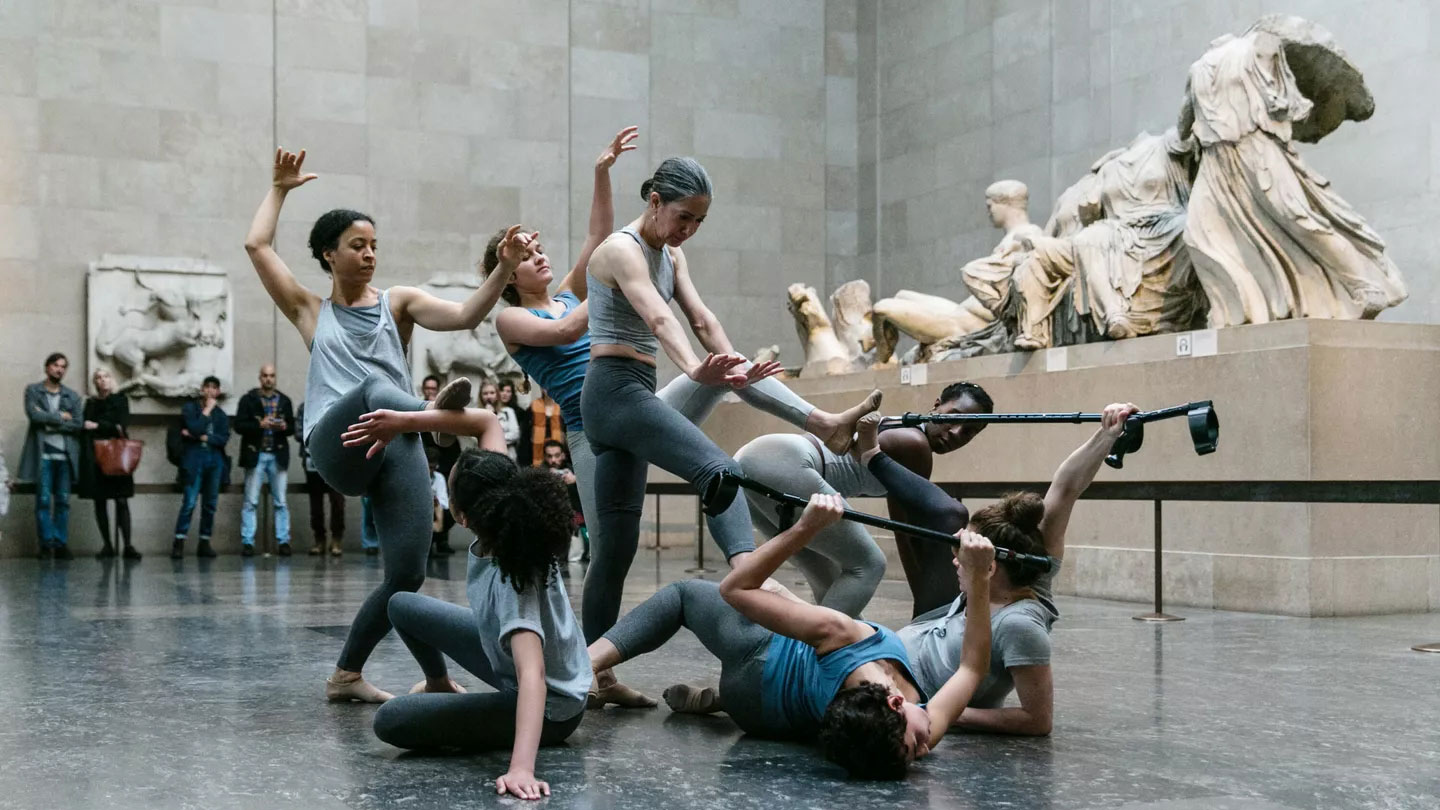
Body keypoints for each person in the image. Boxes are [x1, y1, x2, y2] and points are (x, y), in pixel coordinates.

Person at [490, 138, 880, 703]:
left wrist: (733, 366)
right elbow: (655, 314)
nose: (689, 229)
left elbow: (699, 315)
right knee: (718, 470)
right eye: (682, 217)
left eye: (699, 221)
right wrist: (698, 366)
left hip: (637, 397)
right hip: (607, 401)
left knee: (615, 555)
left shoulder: (669, 254)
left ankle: (592, 673)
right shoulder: (597, 267)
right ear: (653, 201)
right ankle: (748, 571)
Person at [243, 146, 514, 703]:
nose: (369, 255)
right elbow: (257, 245)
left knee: (407, 577)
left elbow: (465, 316)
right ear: (328, 254)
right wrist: (280, 189)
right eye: (356, 246)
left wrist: (505, 268)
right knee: (370, 387)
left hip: (398, 438)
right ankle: (441, 423)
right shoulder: (309, 310)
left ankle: (366, 675)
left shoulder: (399, 303)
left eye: (374, 246)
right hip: (338, 441)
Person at [589, 494, 998, 779]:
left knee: (683, 596)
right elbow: (973, 667)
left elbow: (736, 590)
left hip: (759, 663)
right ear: (894, 701)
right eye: (915, 751)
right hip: (767, 721)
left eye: (914, 750)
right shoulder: (902, 727)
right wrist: (978, 579)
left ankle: (584, 666)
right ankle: (716, 700)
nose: (925, 750)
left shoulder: (844, 641)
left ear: (894, 702)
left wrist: (807, 527)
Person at [853, 403, 1139, 736]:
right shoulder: (1034, 569)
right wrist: (1107, 433)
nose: (956, 560)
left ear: (992, 566)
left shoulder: (1019, 624)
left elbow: (1037, 720)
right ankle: (871, 455)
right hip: (891, 652)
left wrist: (944, 712)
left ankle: (872, 455)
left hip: (900, 687)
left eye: (966, 552)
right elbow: (1065, 488)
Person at [373, 450, 587, 800]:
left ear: (460, 516)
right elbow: (486, 423)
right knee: (401, 605)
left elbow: (532, 672)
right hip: (507, 661)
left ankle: (516, 740)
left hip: (551, 709)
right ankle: (439, 683)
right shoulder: (510, 529)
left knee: (392, 719)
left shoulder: (512, 578)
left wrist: (521, 768)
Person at [735, 380, 995, 618]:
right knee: (868, 565)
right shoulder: (915, 444)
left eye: (969, 432)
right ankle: (811, 655)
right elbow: (906, 533)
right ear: (936, 405)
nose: (956, 432)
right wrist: (924, 612)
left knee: (830, 580)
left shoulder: (906, 428)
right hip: (785, 465)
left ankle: (826, 654)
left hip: (757, 462)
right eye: (954, 418)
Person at [19, 353, 83, 560]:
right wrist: (60, 417)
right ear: (47, 367)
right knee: (44, 501)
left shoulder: (72, 396)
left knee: (63, 501)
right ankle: (46, 545)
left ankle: (61, 543)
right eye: (55, 365)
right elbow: (34, 415)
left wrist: (49, 422)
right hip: (43, 455)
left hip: (65, 457)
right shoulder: (33, 390)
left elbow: (77, 424)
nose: (59, 370)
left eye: (63, 366)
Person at [235, 364, 296, 557]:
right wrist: (259, 424)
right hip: (256, 454)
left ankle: (283, 541)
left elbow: (293, 428)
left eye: (272, 376)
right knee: (251, 501)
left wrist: (284, 426)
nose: (268, 379)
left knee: (280, 501)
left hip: (277, 454)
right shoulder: (248, 399)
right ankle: (248, 542)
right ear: (260, 378)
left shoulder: (284, 400)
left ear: (275, 378)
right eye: (265, 376)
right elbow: (238, 425)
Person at [78, 367, 139, 560]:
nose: (102, 380)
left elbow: (121, 424)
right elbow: (84, 427)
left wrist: (98, 425)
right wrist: (103, 426)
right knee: (100, 500)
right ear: (94, 382)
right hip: (96, 456)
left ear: (111, 379)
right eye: (98, 377)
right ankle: (107, 545)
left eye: (105, 376)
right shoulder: (90, 403)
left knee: (121, 500)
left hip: (116, 455)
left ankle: (128, 545)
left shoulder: (120, 400)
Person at [171, 376, 229, 559]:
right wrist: (207, 411)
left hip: (214, 459)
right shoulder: (191, 408)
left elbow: (223, 438)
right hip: (194, 458)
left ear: (218, 391)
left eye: (214, 388)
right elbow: (194, 427)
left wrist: (203, 437)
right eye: (207, 387)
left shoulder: (221, 415)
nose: (210, 391)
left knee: (210, 504)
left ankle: (204, 541)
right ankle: (179, 541)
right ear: (202, 389)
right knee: (189, 501)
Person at [418, 374, 460, 555]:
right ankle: (427, 544)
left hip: (444, 466)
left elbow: (453, 442)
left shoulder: (447, 413)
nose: (430, 392)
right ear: (423, 390)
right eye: (428, 388)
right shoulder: (419, 412)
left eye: (433, 389)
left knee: (446, 504)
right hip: (422, 466)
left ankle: (442, 541)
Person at [296, 402, 345, 557]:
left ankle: (336, 539)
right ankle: (319, 540)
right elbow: (298, 432)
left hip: (335, 459)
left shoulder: (338, 403)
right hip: (312, 459)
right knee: (315, 504)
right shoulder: (305, 407)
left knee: (337, 502)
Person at [541, 439, 586, 562]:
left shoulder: (572, 471)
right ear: (545, 457)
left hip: (574, 519)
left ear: (563, 455)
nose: (553, 460)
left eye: (557, 455)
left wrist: (575, 481)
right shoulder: (540, 473)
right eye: (549, 456)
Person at [495, 380, 524, 461]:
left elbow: (516, 435)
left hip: (511, 452)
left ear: (512, 394)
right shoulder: (492, 409)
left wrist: (495, 438)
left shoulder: (518, 412)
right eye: (502, 390)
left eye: (508, 391)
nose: (505, 394)